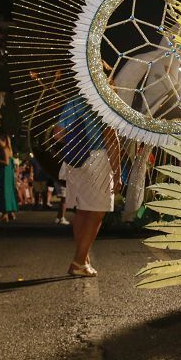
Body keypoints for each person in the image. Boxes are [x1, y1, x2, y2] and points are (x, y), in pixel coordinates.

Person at [53, 96, 122, 277]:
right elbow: (112, 141)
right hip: (98, 160)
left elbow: (57, 133)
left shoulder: (74, 100)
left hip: (74, 160)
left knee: (82, 211)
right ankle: (78, 261)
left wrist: (77, 143)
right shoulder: (106, 103)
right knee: (97, 213)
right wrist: (118, 173)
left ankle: (83, 259)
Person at [0, 136, 19, 222]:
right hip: (8, 173)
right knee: (8, 191)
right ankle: (10, 213)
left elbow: (6, 162)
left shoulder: (5, 149)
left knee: (4, 191)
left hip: (4, 173)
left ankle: (5, 214)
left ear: (3, 141)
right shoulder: (9, 149)